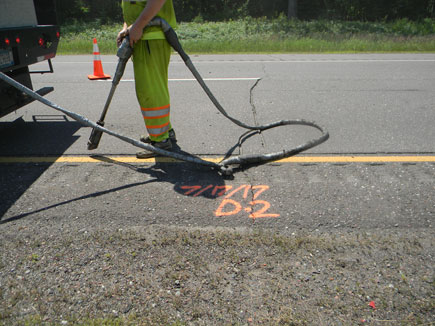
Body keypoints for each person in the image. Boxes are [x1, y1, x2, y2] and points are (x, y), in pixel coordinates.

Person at [118, 0, 177, 158]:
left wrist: (137, 26)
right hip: (146, 35)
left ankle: (161, 142)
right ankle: (165, 132)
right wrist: (128, 27)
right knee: (156, 88)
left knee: (149, 91)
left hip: (150, 36)